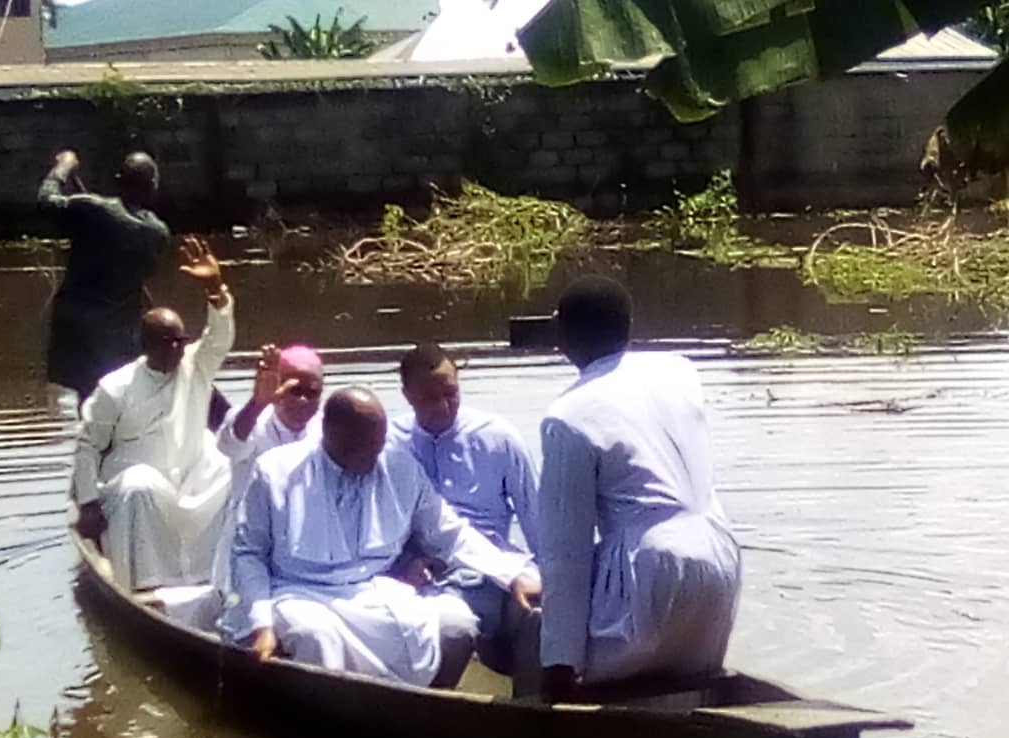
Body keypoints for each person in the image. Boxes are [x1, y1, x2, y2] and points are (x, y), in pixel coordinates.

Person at [230, 387, 541, 687]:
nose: (372, 457)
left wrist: (512, 575)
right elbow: (248, 553)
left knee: (456, 626)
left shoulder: (398, 465)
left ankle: (423, 710)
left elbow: (449, 533)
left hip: (374, 591)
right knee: (315, 636)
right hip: (298, 591)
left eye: (377, 445)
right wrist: (261, 623)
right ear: (328, 432)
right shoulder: (275, 470)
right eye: (361, 447)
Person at [532, 275, 741, 702]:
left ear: (562, 335)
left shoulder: (567, 417)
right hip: (721, 561)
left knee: (544, 643)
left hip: (653, 573)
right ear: (629, 325)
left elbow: (565, 553)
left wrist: (558, 666)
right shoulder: (679, 371)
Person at [73, 237, 235, 594]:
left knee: (229, 469)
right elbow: (87, 447)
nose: (177, 349)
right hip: (132, 487)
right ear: (146, 345)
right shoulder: (115, 387)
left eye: (180, 340)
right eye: (167, 342)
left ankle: (220, 576)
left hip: (189, 479)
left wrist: (214, 288)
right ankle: (148, 587)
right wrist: (87, 505)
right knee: (140, 483)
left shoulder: (196, 366)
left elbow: (218, 338)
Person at [388, 343, 539, 670]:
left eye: (451, 393)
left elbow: (537, 520)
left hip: (493, 569)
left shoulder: (499, 437)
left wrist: (550, 576)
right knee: (447, 629)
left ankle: (534, 708)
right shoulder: (388, 444)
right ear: (407, 395)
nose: (444, 406)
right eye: (429, 398)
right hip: (422, 575)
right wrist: (406, 561)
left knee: (541, 615)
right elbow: (376, 525)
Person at [38, 150, 170, 402]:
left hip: (80, 332)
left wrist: (62, 167)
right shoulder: (158, 232)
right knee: (117, 403)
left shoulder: (92, 209)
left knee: (90, 405)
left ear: (119, 181)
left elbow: (46, 201)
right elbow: (144, 272)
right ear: (153, 187)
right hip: (121, 335)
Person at [211, 344, 324, 621]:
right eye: (294, 390)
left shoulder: (326, 429)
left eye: (312, 393)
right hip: (247, 546)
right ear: (276, 385)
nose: (303, 400)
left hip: (305, 545)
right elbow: (229, 445)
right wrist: (258, 403)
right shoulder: (253, 420)